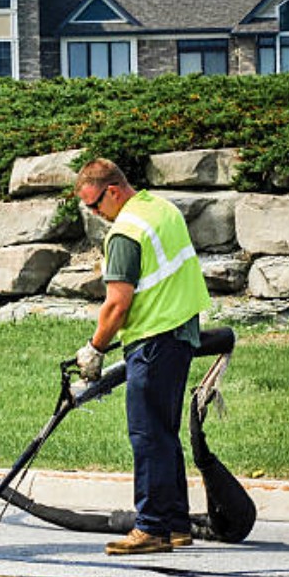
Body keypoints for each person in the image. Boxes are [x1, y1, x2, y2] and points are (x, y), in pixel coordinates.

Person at [73, 158, 211, 556]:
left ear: (113, 191)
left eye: (96, 205)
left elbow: (117, 304)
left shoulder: (125, 233)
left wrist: (95, 348)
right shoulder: (161, 209)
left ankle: (150, 528)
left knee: (147, 436)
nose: (96, 215)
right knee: (165, 433)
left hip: (152, 339)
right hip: (181, 332)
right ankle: (176, 523)